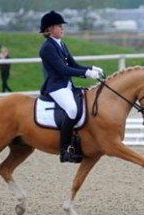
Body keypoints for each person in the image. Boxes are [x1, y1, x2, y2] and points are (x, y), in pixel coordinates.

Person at [39, 10, 103, 163]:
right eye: (59, 26)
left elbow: (73, 65)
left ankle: (79, 142)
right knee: (72, 109)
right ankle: (65, 150)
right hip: (56, 87)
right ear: (49, 29)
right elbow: (62, 69)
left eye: (61, 26)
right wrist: (87, 73)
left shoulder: (61, 44)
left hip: (67, 85)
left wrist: (91, 68)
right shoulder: (47, 47)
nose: (62, 28)